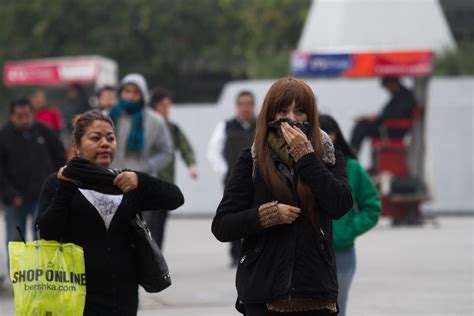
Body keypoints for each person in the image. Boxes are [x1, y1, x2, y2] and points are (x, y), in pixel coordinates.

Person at [211, 77, 353, 315]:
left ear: (311, 115)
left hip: (315, 290)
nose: (292, 119)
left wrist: (306, 156)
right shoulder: (253, 158)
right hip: (263, 292)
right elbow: (222, 226)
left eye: (300, 111)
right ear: (270, 114)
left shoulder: (328, 153)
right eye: (282, 110)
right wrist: (266, 215)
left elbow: (340, 205)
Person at [37, 111, 184, 315]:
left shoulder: (125, 182)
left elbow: (176, 198)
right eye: (96, 138)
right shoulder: (57, 182)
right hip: (76, 295)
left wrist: (141, 180)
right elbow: (47, 232)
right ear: (77, 147)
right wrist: (66, 188)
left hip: (123, 295)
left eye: (110, 138)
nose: (105, 143)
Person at [319, 114, 381, 316]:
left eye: (327, 132)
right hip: (309, 253)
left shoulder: (352, 167)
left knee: (337, 308)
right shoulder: (301, 168)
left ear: (335, 135)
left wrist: (347, 231)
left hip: (342, 253)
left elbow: (372, 207)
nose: (322, 137)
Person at [0, 99, 66, 247]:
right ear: (11, 116)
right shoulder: (4, 136)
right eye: (19, 116)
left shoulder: (44, 131)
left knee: (43, 239)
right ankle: (15, 271)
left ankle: (41, 270)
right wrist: (10, 194)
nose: (24, 120)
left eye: (27, 115)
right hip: (14, 199)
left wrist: (54, 183)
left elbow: (60, 157)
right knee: (15, 240)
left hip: (43, 196)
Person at [207, 90, 256, 267]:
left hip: (257, 178)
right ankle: (236, 253)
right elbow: (213, 151)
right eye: (242, 104)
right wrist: (226, 170)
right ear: (237, 106)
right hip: (233, 179)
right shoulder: (226, 126)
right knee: (233, 214)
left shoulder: (262, 125)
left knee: (255, 213)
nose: (245, 108)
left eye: (249, 104)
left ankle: (252, 250)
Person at [147, 88, 198, 248]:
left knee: (160, 221)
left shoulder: (172, 128)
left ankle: (157, 255)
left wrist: (191, 165)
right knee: (148, 220)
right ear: (155, 106)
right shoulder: (144, 126)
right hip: (146, 181)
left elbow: (184, 147)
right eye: (164, 106)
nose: (167, 110)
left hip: (165, 181)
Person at [108, 73, 173, 174]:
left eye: (136, 92)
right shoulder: (107, 116)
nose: (130, 96)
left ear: (143, 95)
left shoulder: (154, 120)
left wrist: (148, 167)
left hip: (139, 181)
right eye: (127, 91)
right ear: (120, 92)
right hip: (108, 177)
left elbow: (166, 152)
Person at [350, 76, 417, 153]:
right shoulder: (399, 95)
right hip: (389, 126)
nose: (387, 89)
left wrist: (377, 118)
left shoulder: (404, 96)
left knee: (361, 127)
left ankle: (352, 154)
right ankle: (352, 153)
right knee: (361, 124)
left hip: (393, 129)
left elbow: (396, 115)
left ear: (392, 83)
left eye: (387, 86)